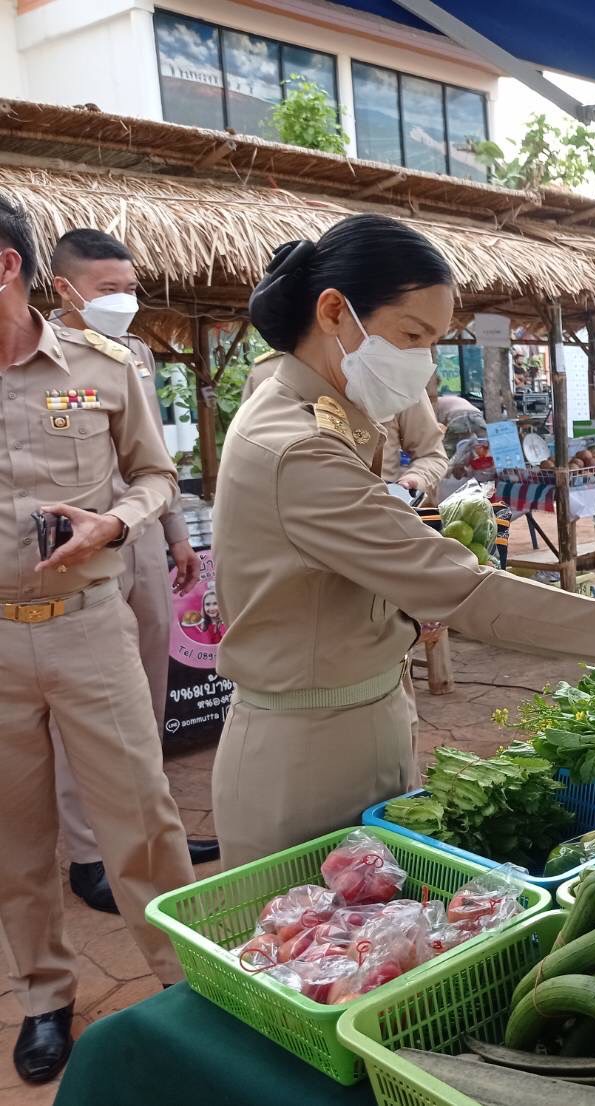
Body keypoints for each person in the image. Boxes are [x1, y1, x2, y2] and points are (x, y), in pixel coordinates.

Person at [211, 214, 595, 867]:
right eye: (411, 335)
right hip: (306, 758)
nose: (422, 362)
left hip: (362, 717)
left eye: (433, 342)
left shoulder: (331, 418)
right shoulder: (298, 447)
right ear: (333, 312)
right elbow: (469, 593)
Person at [0, 195, 194, 1084]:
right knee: (16, 839)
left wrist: (115, 523)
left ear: (7, 266)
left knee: (142, 818)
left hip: (88, 626)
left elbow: (155, 474)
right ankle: (45, 995)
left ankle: (186, 984)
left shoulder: (101, 365)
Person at [45, 229, 216, 917]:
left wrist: (175, 536)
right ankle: (91, 855)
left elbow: (150, 462)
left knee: (146, 697)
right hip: (73, 554)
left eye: (129, 287)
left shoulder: (134, 354)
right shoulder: (32, 354)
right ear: (64, 288)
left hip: (139, 541)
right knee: (80, 712)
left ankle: (153, 833)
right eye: (107, 289)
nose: (123, 300)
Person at [246, 354, 447, 500]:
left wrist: (414, 480)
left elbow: (431, 454)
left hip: (381, 515)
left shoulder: (396, 374)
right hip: (294, 522)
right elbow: (251, 460)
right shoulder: (266, 373)